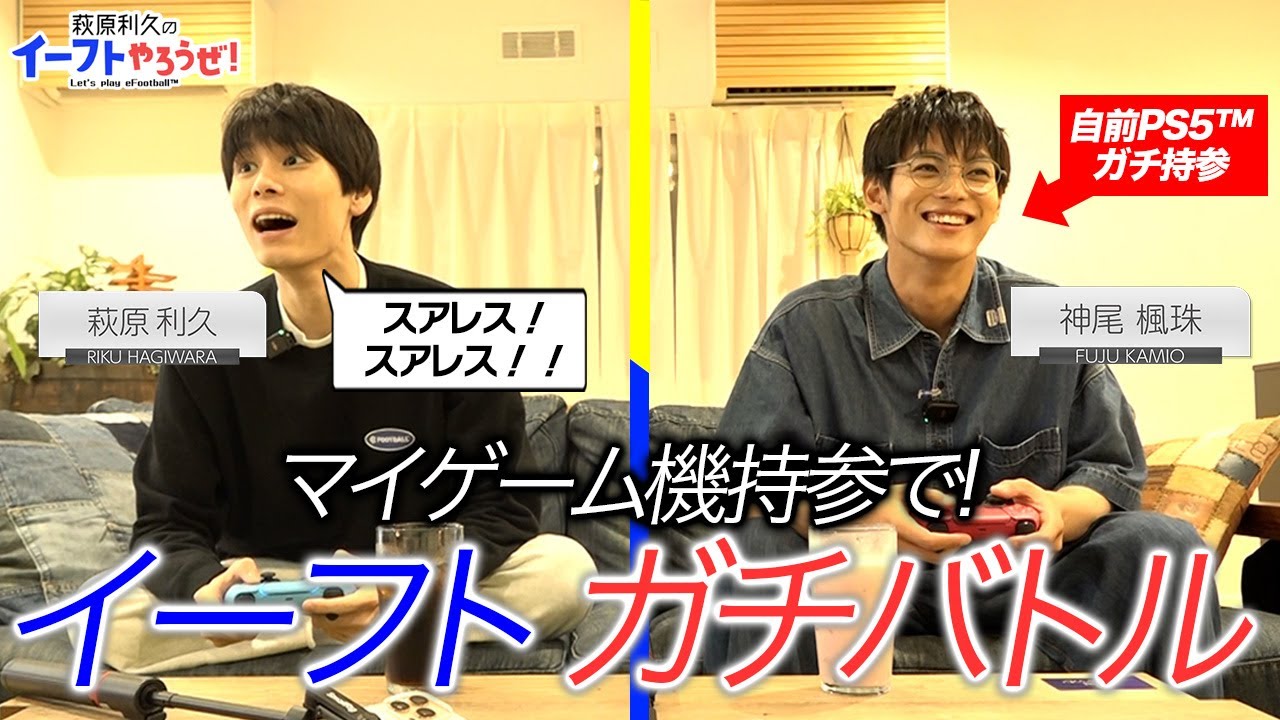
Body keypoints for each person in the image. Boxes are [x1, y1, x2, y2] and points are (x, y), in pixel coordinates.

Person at [709, 85, 1225, 697]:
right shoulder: (806, 326)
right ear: (876, 192)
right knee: (758, 541)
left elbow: (1111, 471)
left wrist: (1058, 510)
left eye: (977, 173)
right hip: (866, 589)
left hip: (1025, 589)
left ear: (997, 201)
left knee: (1166, 545)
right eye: (927, 168)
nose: (955, 190)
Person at [109, 83, 594, 672]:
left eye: (292, 160)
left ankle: (358, 626)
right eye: (245, 167)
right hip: (268, 584)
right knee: (113, 622)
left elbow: (502, 509)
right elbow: (167, 523)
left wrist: (402, 582)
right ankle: (360, 632)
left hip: (409, 579)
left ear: (357, 194)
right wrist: (202, 587)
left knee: (564, 572)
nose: (262, 183)